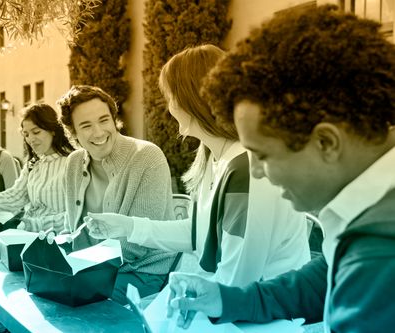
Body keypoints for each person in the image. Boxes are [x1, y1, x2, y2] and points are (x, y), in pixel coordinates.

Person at [167, 5, 395, 332]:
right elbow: (328, 273)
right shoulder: (369, 215)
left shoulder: (380, 254)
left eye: (263, 155)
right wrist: (226, 299)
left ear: (326, 143)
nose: (257, 172)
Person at [86, 45, 310, 287]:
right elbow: (198, 234)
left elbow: (239, 279)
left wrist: (193, 301)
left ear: (191, 100)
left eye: (170, 96)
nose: (168, 107)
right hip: (237, 305)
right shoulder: (213, 157)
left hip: (264, 315)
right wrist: (127, 226)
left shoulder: (246, 169)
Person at [56, 85, 178, 304]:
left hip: (142, 271)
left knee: (83, 306)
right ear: (73, 132)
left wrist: (82, 268)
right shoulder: (74, 163)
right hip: (89, 268)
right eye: (86, 126)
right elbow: (73, 229)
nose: (99, 132)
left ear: (114, 120)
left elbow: (137, 245)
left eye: (104, 120)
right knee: (45, 293)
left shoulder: (147, 156)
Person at [0, 104, 74, 233]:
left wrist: (33, 225)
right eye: (26, 134)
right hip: (26, 236)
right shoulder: (33, 164)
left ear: (53, 130)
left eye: (36, 132)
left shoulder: (72, 163)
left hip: (57, 242)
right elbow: (16, 196)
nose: (31, 139)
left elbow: (75, 214)